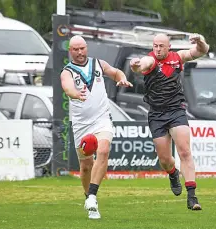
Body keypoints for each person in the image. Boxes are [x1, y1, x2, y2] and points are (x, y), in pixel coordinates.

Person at [130, 33, 209, 210]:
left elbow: (200, 51)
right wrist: (135, 65)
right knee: (165, 160)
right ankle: (173, 174)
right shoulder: (150, 60)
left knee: (185, 151)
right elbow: (142, 65)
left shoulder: (177, 57)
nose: (157, 49)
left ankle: (192, 197)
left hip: (176, 111)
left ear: (168, 47)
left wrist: (201, 42)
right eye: (155, 46)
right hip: (157, 115)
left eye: (161, 46)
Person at [60, 35, 133, 219]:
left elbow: (115, 72)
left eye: (82, 48)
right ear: (71, 51)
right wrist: (76, 94)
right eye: (75, 49)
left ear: (86, 48)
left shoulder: (98, 64)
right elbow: (68, 88)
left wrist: (122, 78)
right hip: (81, 125)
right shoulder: (67, 72)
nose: (79, 52)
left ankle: (92, 196)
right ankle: (88, 198)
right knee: (85, 166)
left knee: (104, 149)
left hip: (101, 119)